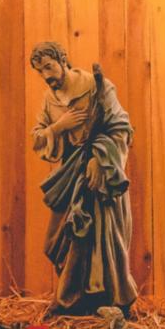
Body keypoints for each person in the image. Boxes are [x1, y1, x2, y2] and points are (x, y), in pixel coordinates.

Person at [29, 41, 138, 314]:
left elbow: (122, 127)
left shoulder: (97, 86)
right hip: (70, 174)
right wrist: (59, 126)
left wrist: (100, 160)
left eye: (49, 67)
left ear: (63, 60)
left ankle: (113, 300)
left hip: (101, 174)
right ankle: (72, 298)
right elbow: (38, 138)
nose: (46, 75)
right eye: (40, 71)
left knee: (105, 234)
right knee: (63, 236)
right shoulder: (49, 99)